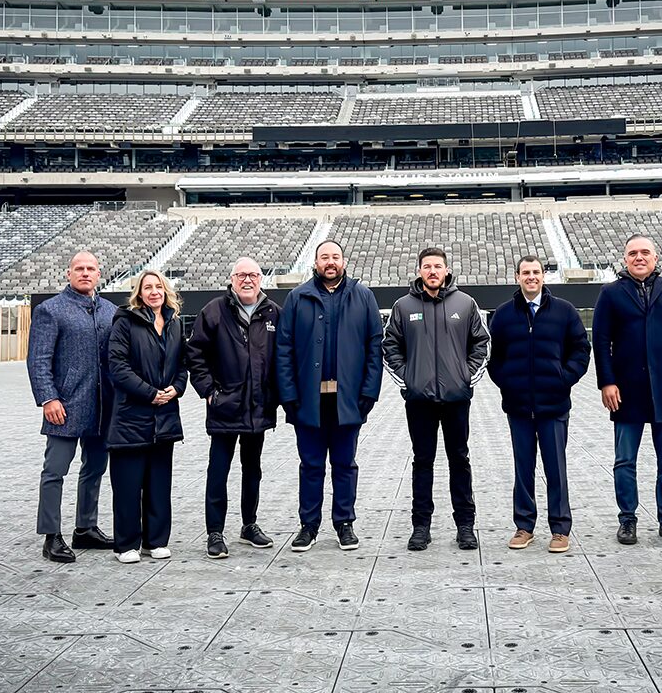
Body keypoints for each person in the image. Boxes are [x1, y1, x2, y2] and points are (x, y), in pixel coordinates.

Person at [275, 239, 383, 553]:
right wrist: (289, 396)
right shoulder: (298, 298)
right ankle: (308, 525)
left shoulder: (363, 297)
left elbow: (374, 348)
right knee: (310, 465)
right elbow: (284, 351)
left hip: (347, 400)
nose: (330, 262)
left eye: (335, 257)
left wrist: (369, 393)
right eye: (325, 257)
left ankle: (344, 523)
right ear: (316, 262)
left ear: (344, 261)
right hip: (308, 400)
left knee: (344, 464)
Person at [593, 234, 662, 546]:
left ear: (656, 257)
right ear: (624, 259)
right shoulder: (610, 293)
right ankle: (627, 519)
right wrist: (607, 382)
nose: (639, 257)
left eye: (645, 252)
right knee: (624, 460)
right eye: (632, 253)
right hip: (626, 391)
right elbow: (600, 341)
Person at [383, 247, 490, 552]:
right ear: (419, 271)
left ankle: (466, 526)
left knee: (460, 460)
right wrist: (409, 381)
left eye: (438, 266)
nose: (432, 271)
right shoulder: (403, 307)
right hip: (420, 401)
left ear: (446, 271)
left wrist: (465, 377)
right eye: (427, 266)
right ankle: (421, 527)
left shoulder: (466, 303)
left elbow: (482, 343)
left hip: (457, 399)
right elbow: (390, 347)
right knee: (422, 462)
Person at [487, 254, 590, 554]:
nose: (531, 277)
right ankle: (524, 526)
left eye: (536, 272)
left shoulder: (564, 311)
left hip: (554, 405)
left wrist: (564, 378)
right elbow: (495, 358)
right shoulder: (504, 314)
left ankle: (560, 528)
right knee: (523, 468)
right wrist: (507, 382)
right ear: (517, 276)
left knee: (556, 467)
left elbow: (581, 350)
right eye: (525, 272)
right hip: (518, 406)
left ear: (543, 275)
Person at [26, 250, 117, 564]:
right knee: (55, 471)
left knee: (94, 469)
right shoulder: (51, 310)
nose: (85, 273)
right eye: (79, 268)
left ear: (99, 273)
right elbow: (38, 360)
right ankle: (51, 536)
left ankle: (86, 527)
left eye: (91, 268)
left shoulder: (110, 311)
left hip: (103, 407)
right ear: (68, 273)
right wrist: (48, 398)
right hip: (64, 406)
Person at [187, 256, 281, 559]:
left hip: (258, 408)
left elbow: (282, 360)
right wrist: (209, 392)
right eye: (241, 275)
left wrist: (275, 396)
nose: (248, 280)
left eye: (253, 274)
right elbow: (195, 355)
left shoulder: (273, 313)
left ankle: (249, 524)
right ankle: (214, 532)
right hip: (225, 408)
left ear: (261, 279)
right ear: (232, 278)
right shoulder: (214, 311)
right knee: (219, 470)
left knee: (252, 469)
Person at [105, 269, 188, 563]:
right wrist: (150, 393)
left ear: (166, 291)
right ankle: (127, 543)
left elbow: (182, 365)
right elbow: (117, 366)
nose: (154, 292)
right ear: (139, 294)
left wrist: (176, 389)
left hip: (165, 414)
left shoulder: (175, 324)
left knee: (158, 483)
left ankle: (156, 540)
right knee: (128, 484)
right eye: (147, 287)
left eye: (158, 287)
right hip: (131, 415)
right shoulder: (125, 321)